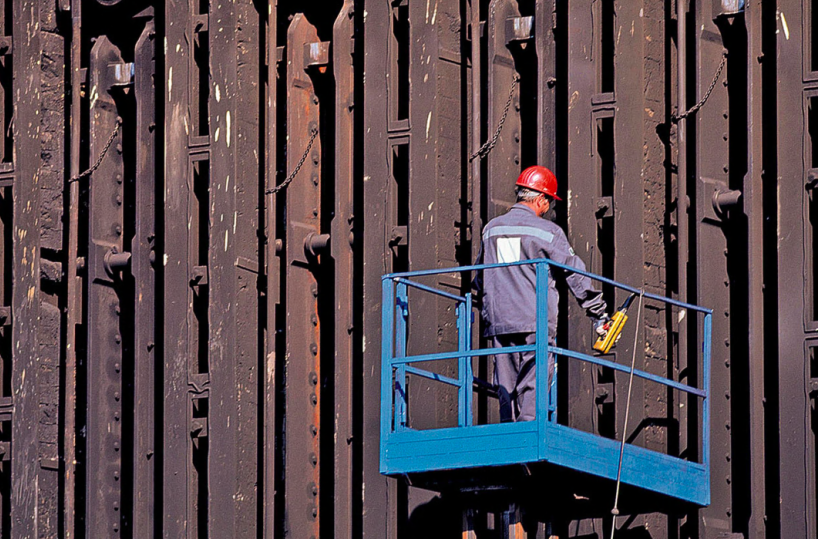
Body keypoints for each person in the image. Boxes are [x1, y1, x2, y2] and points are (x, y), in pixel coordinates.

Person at [474, 165, 609, 422]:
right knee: (534, 383)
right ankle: (530, 436)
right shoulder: (548, 232)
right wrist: (599, 316)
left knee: (507, 386)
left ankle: (512, 442)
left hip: (499, 321)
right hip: (533, 321)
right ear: (540, 199)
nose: (548, 208)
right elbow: (574, 275)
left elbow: (479, 280)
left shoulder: (491, 229)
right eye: (549, 202)